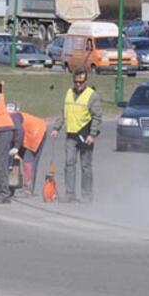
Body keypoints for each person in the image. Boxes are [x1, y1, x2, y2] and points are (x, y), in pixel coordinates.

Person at [51, 68, 102, 203]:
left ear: (85, 81)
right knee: (69, 163)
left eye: (81, 82)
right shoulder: (69, 93)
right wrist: (56, 128)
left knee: (86, 166)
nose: (78, 84)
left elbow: (97, 117)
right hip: (71, 135)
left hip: (85, 135)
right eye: (76, 82)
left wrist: (92, 134)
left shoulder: (92, 95)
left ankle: (86, 195)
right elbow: (64, 112)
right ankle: (70, 193)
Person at [10, 110, 48, 196]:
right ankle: (27, 185)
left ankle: (28, 187)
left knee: (29, 159)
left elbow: (20, 132)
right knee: (26, 158)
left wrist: (16, 147)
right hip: (26, 131)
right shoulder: (3, 119)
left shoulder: (12, 117)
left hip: (35, 131)